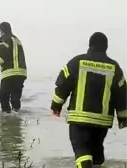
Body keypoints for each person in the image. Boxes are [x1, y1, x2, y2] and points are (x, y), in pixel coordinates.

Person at [50, 32, 127, 168]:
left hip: (80, 119)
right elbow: (122, 96)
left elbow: (63, 86)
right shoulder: (115, 68)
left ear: (90, 45)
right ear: (106, 47)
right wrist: (123, 118)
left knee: (82, 150)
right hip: (102, 122)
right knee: (96, 151)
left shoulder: (77, 62)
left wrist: (56, 105)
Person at [0, 22, 27, 112]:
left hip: (9, 73)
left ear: (1, 30)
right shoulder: (17, 40)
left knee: (3, 96)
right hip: (21, 74)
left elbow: (0, 56)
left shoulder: (5, 40)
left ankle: (7, 117)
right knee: (15, 98)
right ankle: (16, 117)